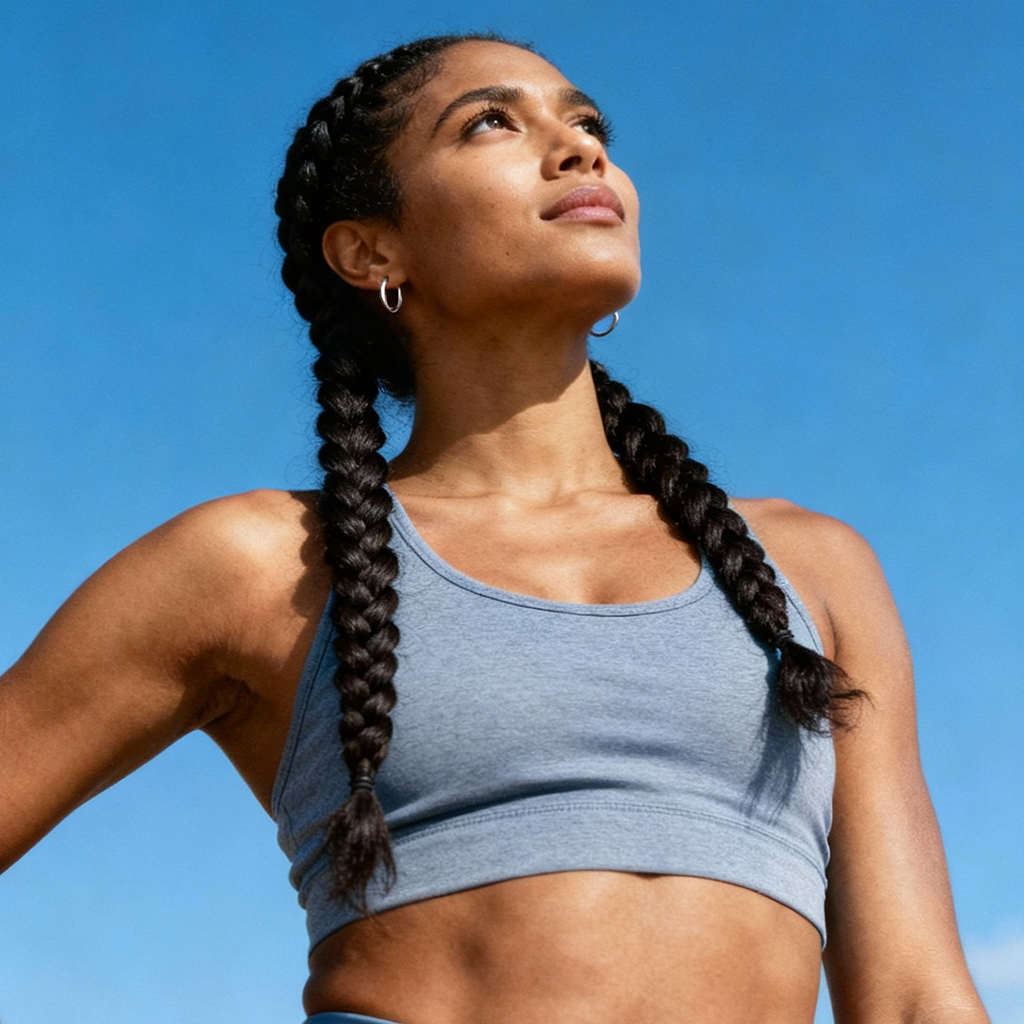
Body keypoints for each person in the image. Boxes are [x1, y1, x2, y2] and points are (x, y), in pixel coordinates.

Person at [0, 32, 990, 1024]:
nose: (581, 148)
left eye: (589, 124)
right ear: (371, 251)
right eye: (490, 123)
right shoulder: (260, 564)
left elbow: (913, 996)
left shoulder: (806, 566)